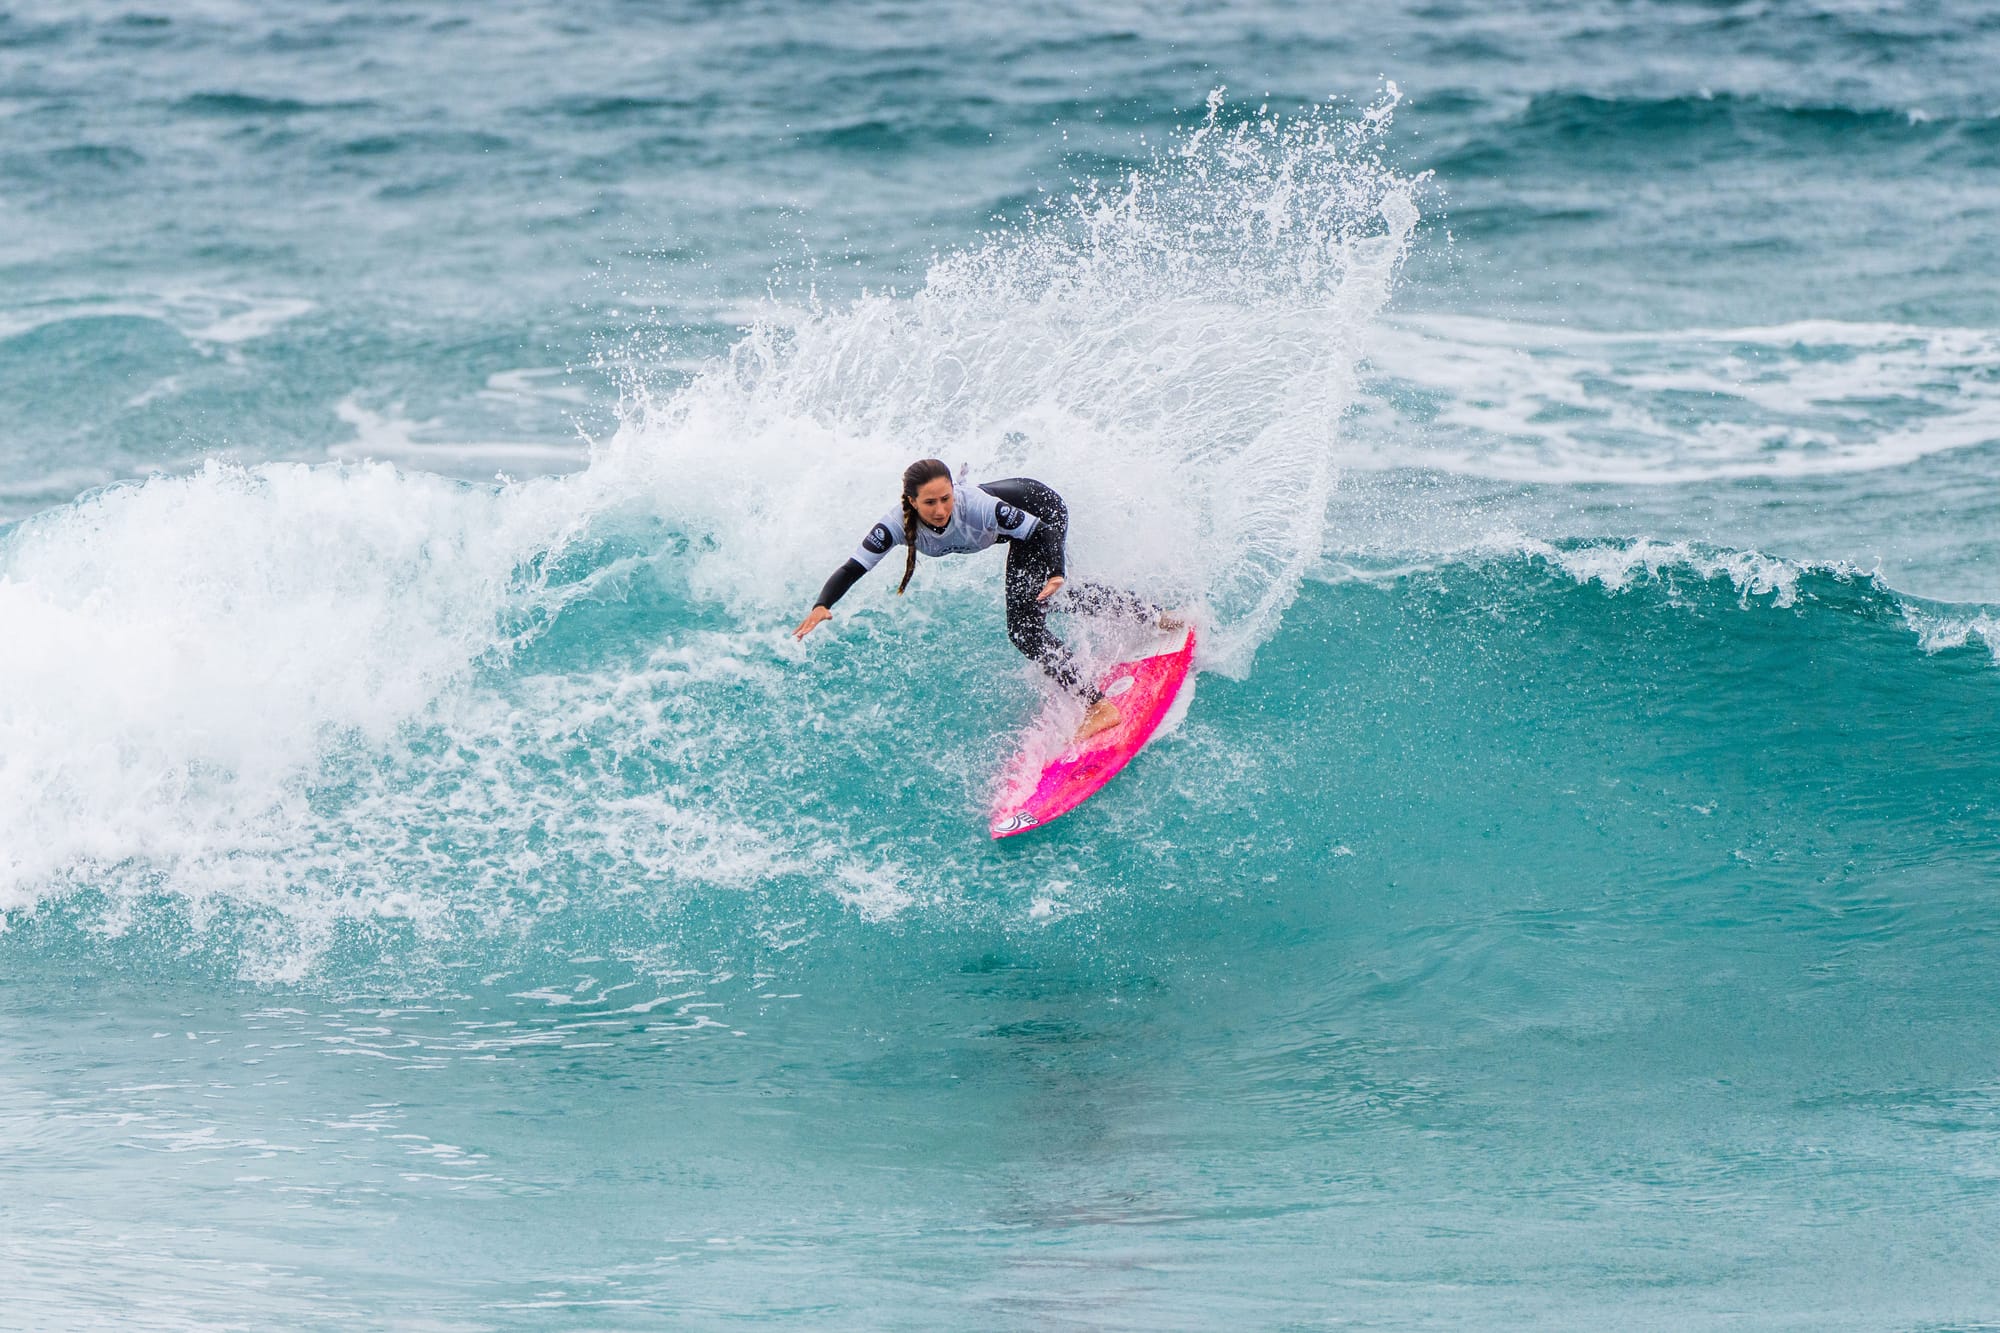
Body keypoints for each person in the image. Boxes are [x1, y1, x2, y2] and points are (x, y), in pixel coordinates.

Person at [793, 459, 1176, 740]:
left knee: (1025, 628)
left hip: (1040, 512)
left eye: (946, 499)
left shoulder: (977, 506)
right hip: (1024, 529)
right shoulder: (893, 525)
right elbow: (852, 568)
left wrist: (1056, 571)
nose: (941, 510)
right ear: (910, 502)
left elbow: (1042, 532)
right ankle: (1152, 615)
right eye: (930, 503)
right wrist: (822, 605)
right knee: (1049, 600)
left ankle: (1099, 707)